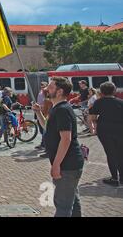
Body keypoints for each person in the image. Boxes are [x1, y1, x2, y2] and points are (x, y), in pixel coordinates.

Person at [33, 77, 84, 217]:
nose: (46, 89)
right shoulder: (57, 108)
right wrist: (38, 113)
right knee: (72, 202)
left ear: (60, 91)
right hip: (69, 164)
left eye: (50, 87)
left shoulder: (62, 110)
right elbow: (47, 128)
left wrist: (56, 164)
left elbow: (65, 139)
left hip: (67, 165)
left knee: (63, 206)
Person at [89, 82, 123, 187]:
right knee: (120, 153)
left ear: (102, 91)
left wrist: (94, 127)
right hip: (120, 130)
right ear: (114, 91)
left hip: (104, 130)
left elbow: (92, 117)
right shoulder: (120, 102)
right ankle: (122, 177)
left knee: (110, 153)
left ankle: (114, 178)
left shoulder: (98, 102)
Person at [35, 82, 49, 150]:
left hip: (43, 112)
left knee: (44, 130)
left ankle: (44, 144)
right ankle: (44, 144)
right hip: (40, 111)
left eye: (43, 86)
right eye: (41, 86)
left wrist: (40, 107)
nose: (42, 87)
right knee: (42, 130)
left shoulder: (46, 95)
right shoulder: (40, 92)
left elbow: (45, 105)